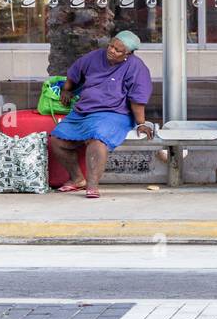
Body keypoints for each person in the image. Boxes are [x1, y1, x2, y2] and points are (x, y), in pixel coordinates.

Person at [48, 31, 156, 199]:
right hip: (83, 111)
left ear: (128, 54)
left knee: (97, 139)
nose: (111, 50)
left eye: (118, 50)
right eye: (111, 46)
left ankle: (92, 186)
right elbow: (75, 71)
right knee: (56, 140)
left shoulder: (137, 67)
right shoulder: (94, 56)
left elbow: (137, 99)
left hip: (114, 113)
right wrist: (67, 89)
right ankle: (77, 179)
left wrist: (141, 123)